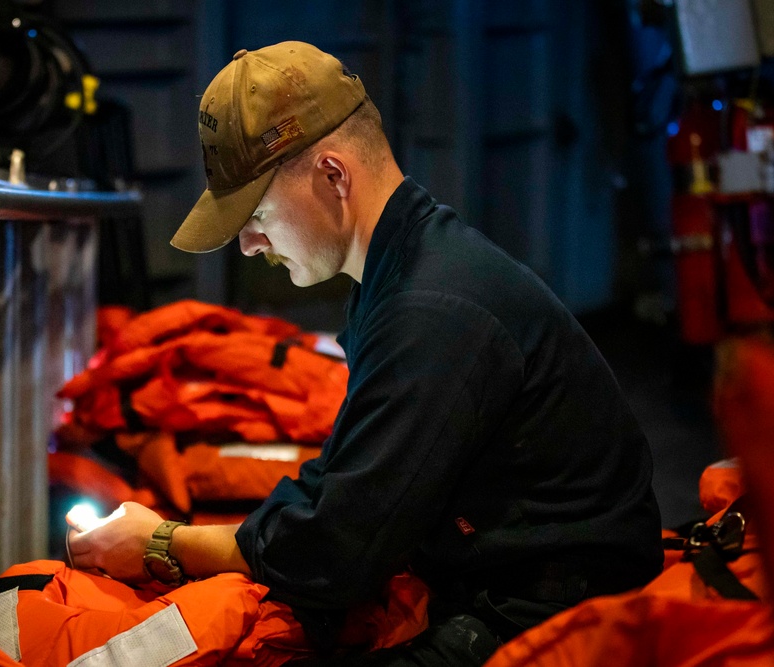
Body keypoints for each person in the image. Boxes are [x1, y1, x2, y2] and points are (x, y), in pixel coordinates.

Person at [67, 41, 663, 666]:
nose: (247, 243)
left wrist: (163, 542)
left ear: (333, 175)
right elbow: (344, 486)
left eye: (257, 212)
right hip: (501, 580)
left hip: (558, 616)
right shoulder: (404, 269)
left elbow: (333, 555)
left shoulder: (431, 309)